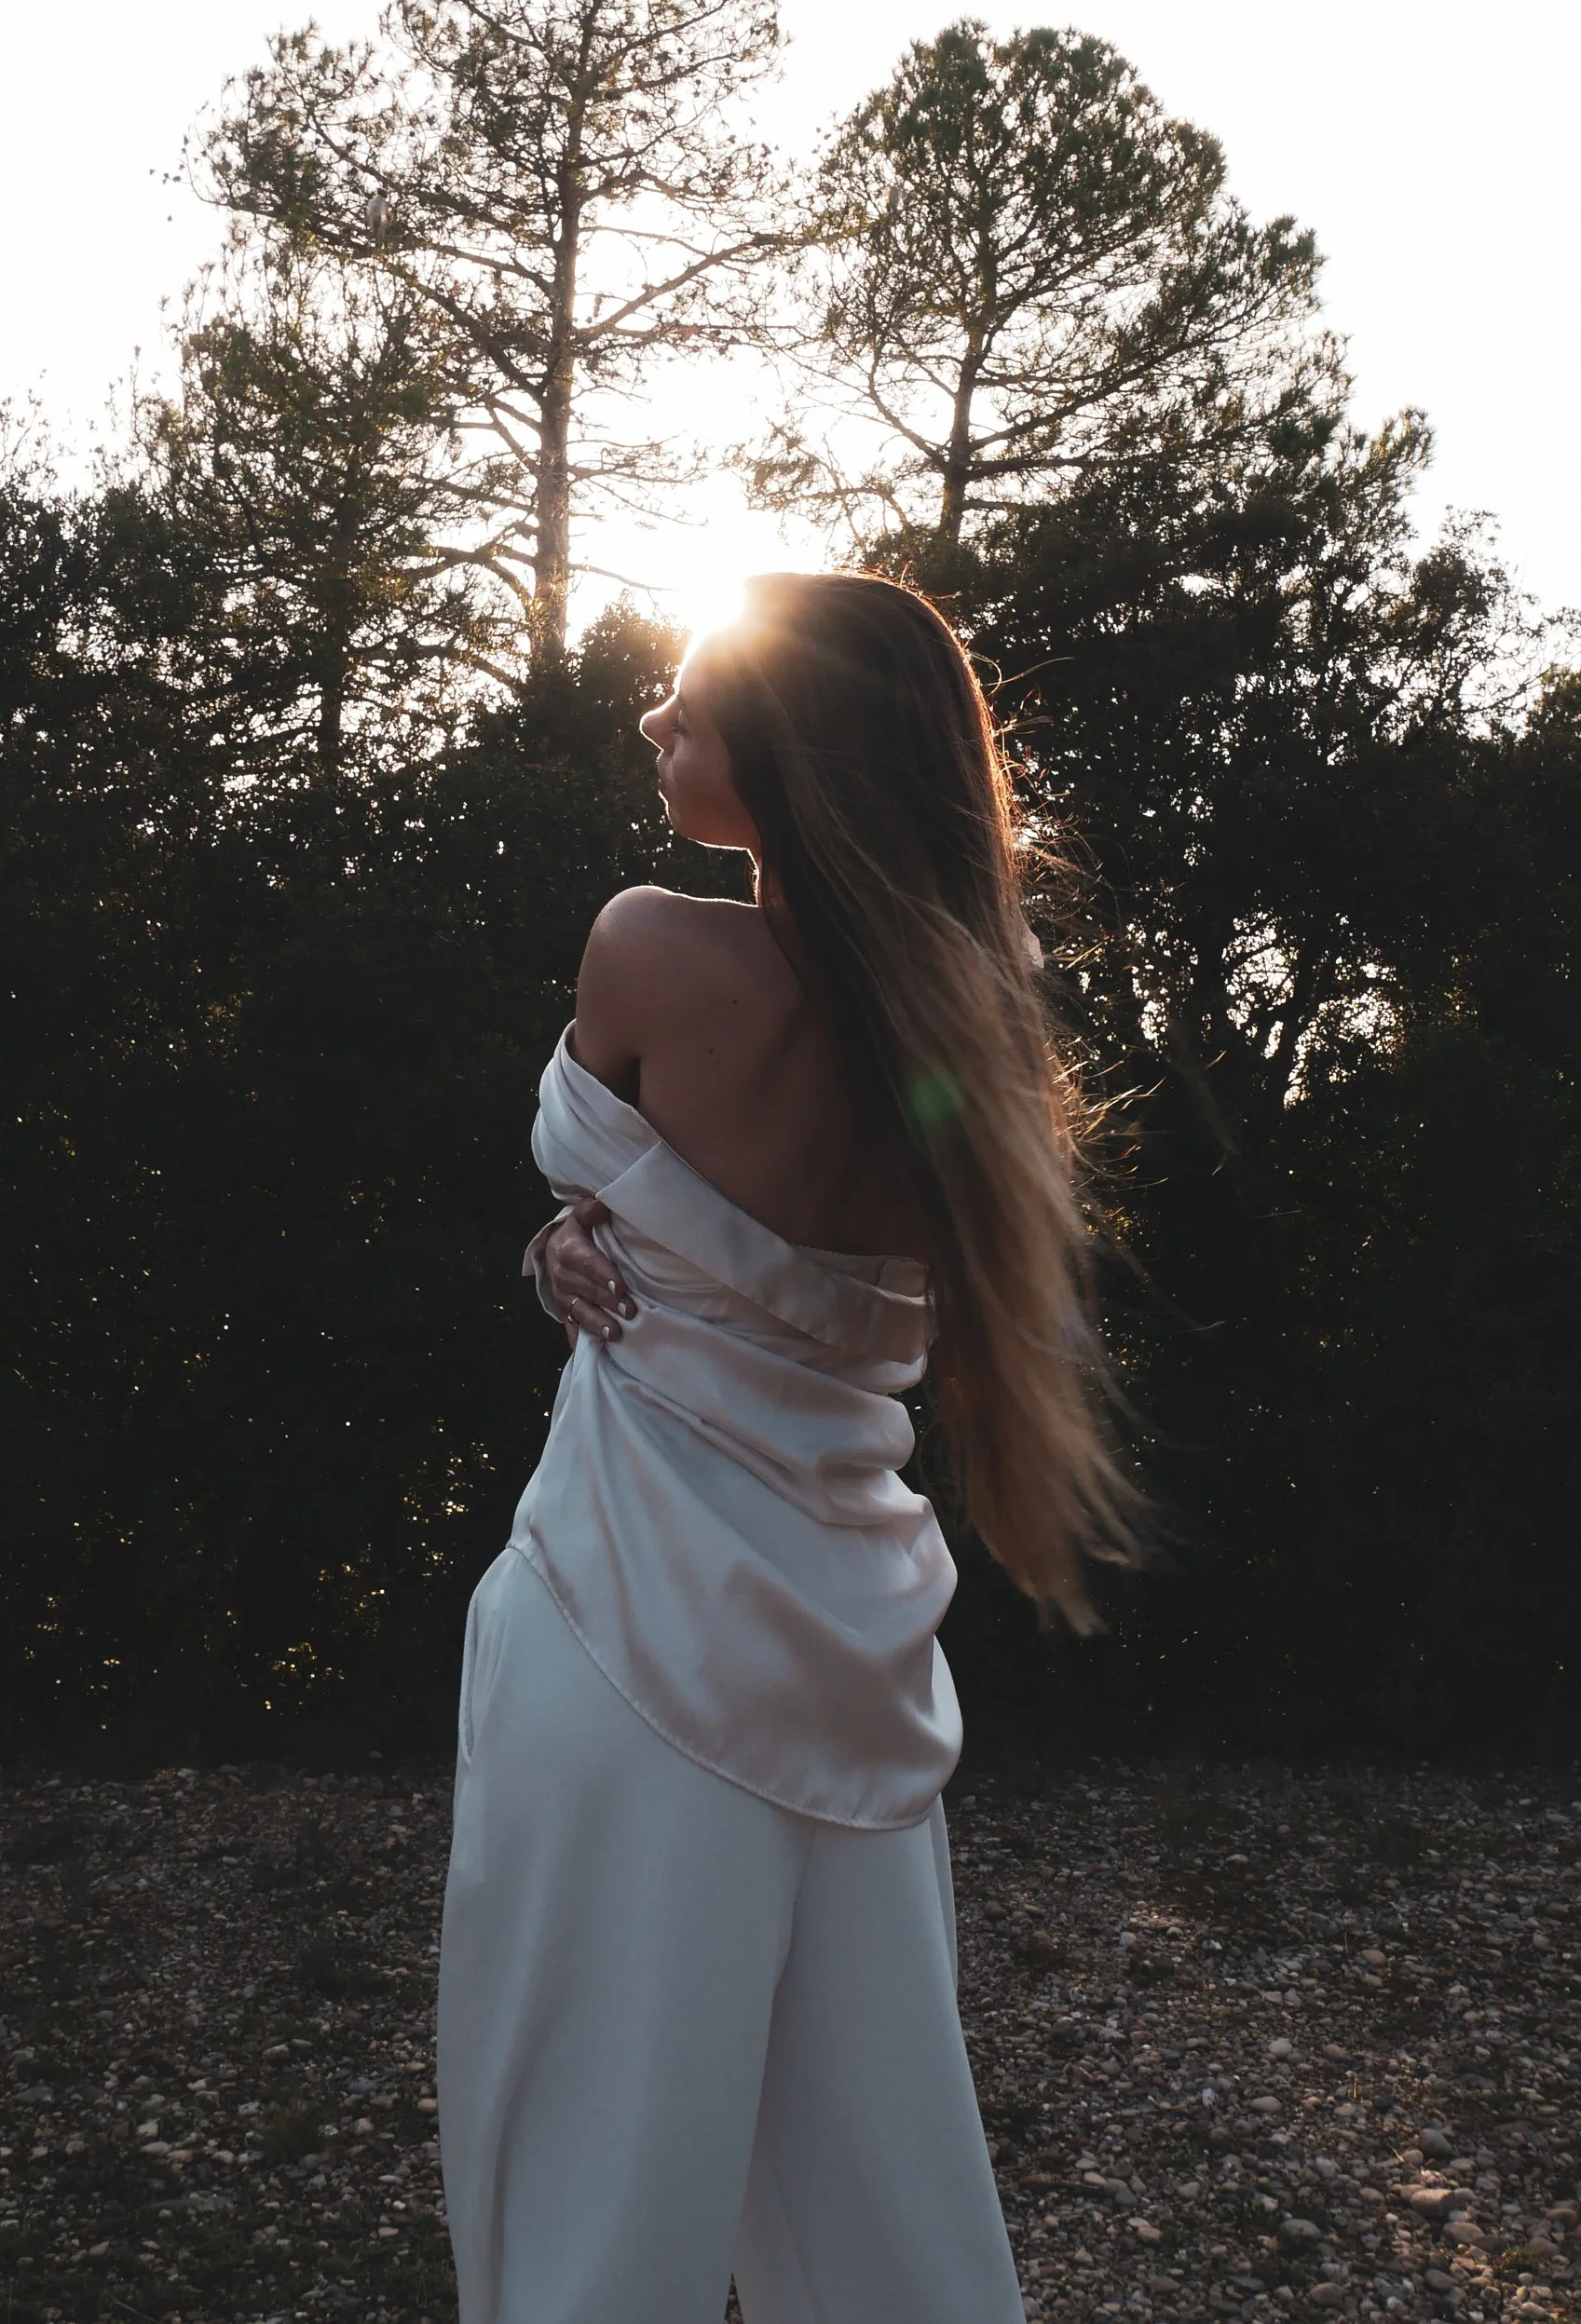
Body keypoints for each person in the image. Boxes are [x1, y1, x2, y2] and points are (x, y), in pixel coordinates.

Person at [436, 571, 1139, 2324]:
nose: (654, 720)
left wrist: (564, 1242)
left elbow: (632, 1191)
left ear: (798, 750)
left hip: (625, 1615)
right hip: (848, 1647)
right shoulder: (974, 1044)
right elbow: (697, 1250)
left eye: (691, 695)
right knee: (882, 2194)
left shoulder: (651, 949)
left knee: (591, 2167)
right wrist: (571, 1251)